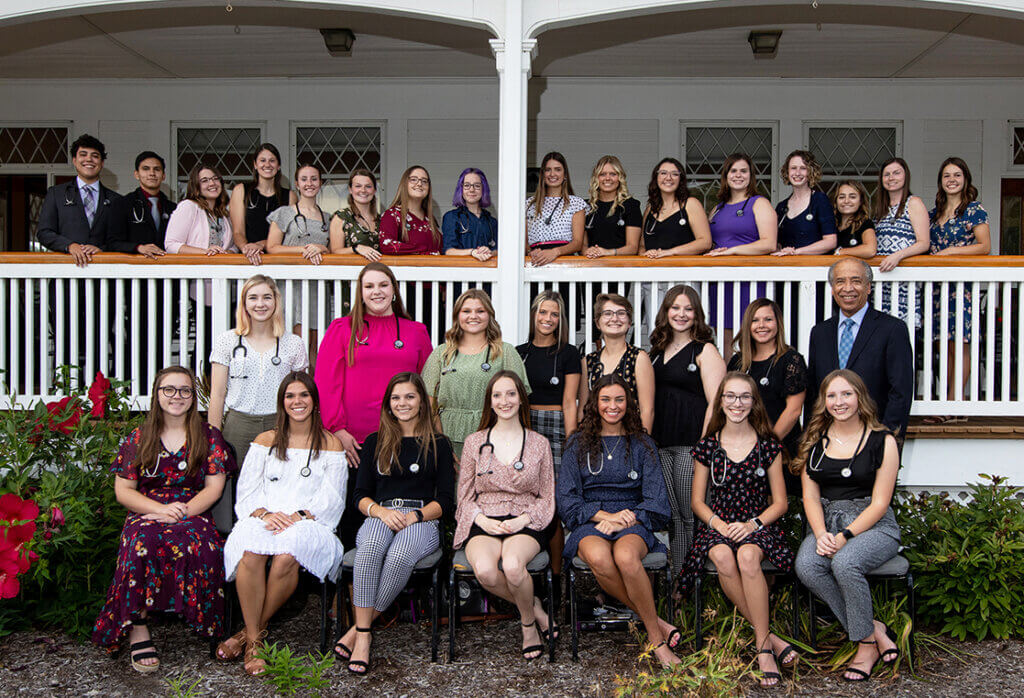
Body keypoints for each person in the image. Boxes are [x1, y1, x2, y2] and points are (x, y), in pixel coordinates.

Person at [92, 366, 234, 672]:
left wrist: (181, 511)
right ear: (157, 394)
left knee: (203, 544)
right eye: (168, 389)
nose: (176, 396)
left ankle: (199, 618)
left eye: (184, 390)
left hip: (192, 510)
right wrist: (158, 511)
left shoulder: (208, 435)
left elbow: (214, 489)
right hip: (146, 511)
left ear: (193, 396)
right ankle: (138, 626)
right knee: (141, 541)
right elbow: (123, 491)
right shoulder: (140, 436)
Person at [218, 372, 346, 676]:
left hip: (309, 522)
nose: (297, 401)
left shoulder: (331, 444)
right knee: (251, 550)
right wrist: (264, 514)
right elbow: (246, 493)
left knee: (287, 555)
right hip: (264, 516)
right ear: (282, 402)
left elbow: (333, 501)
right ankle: (256, 637)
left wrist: (298, 516)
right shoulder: (265, 441)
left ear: (314, 401)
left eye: (304, 395)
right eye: (290, 396)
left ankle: (249, 636)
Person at [679, 372, 794, 687]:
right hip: (719, 523)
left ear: (754, 402)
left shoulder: (768, 446)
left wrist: (751, 524)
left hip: (757, 522)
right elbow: (697, 503)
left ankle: (762, 648)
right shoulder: (708, 446)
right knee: (722, 557)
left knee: (746, 557)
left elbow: (780, 503)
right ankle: (770, 639)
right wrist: (719, 524)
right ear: (720, 402)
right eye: (730, 396)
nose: (737, 403)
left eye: (744, 396)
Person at [335, 373, 455, 675]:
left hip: (422, 519)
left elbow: (446, 501)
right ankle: (364, 636)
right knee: (372, 546)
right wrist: (379, 512)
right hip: (381, 513)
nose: (403, 403)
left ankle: (360, 628)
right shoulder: (376, 441)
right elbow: (359, 495)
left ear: (421, 403)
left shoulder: (438, 444)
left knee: (401, 554)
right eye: (396, 398)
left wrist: (416, 516)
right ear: (388, 405)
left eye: (410, 397)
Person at [557, 375, 679, 667]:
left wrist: (626, 518)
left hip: (632, 517)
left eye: (620, 400)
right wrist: (604, 516)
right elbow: (567, 499)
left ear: (630, 404)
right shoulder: (577, 443)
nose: (613, 406)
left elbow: (657, 499)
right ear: (595, 404)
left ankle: (655, 637)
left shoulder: (642, 444)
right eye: (606, 400)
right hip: (591, 519)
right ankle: (657, 628)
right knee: (599, 557)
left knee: (625, 557)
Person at [793, 369, 902, 682]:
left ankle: (865, 645)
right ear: (823, 401)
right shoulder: (815, 441)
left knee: (845, 562)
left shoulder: (883, 440)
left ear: (860, 397)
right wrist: (820, 534)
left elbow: (881, 502)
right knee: (808, 566)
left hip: (872, 523)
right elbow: (810, 498)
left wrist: (845, 536)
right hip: (826, 522)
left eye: (846, 394)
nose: (838, 402)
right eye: (831, 396)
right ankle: (874, 628)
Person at [315, 262, 433, 549]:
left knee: (401, 517)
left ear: (394, 290)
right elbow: (325, 382)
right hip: (354, 442)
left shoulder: (415, 330)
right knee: (355, 517)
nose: (376, 291)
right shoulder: (341, 329)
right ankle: (354, 586)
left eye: (383, 285)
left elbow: (427, 385)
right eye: (369, 286)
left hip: (405, 439)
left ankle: (401, 584)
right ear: (360, 292)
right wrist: (337, 430)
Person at [455, 371, 556, 660]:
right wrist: (481, 520)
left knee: (513, 567)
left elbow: (547, 495)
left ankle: (527, 627)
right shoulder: (475, 442)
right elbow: (464, 494)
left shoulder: (539, 443)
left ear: (521, 399)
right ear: (490, 401)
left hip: (525, 518)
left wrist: (522, 520)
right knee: (485, 571)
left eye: (511, 393)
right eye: (497, 395)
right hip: (484, 517)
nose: (504, 401)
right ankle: (534, 608)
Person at [208, 274, 308, 528]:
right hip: (239, 424)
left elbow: (301, 396)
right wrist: (213, 438)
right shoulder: (227, 341)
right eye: (253, 297)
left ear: (276, 301)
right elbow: (217, 394)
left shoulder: (292, 343)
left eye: (267, 297)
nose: (260, 304)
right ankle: (234, 543)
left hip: (280, 424)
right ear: (244, 303)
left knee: (279, 483)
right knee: (238, 485)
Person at [648, 284, 726, 574]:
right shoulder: (656, 351)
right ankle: (681, 579)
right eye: (675, 308)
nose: (681, 314)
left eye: (688, 309)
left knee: (691, 515)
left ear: (697, 314)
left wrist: (703, 446)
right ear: (666, 311)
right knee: (674, 518)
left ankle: (692, 582)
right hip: (661, 444)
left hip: (691, 445)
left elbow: (716, 402)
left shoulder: (705, 350)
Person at [807, 258, 914, 438]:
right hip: (829, 439)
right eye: (840, 281)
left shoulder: (892, 329)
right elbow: (814, 393)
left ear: (868, 287)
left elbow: (900, 393)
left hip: (874, 437)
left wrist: (885, 440)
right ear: (832, 289)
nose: (848, 288)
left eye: (856, 281)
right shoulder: (820, 333)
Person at [422, 289, 530, 457]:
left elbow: (519, 402)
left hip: (494, 439)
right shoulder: (441, 353)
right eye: (466, 311)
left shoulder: (505, 352)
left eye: (480, 311)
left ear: (490, 315)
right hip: (447, 438)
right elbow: (428, 403)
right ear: (457, 315)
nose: (473, 316)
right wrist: (441, 444)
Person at [516, 290, 580, 571]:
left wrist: (572, 441)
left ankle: (558, 575)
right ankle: (532, 569)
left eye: (554, 314)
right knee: (528, 499)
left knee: (552, 505)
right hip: (527, 428)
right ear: (534, 315)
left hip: (556, 428)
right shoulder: (519, 353)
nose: (548, 318)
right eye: (543, 312)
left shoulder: (568, 353)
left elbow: (570, 401)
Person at [928, 157, 991, 415]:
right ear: (941, 182)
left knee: (960, 343)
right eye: (946, 176)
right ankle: (947, 399)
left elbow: (984, 247)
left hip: (962, 288)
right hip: (936, 289)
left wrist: (953, 251)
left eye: (956, 175)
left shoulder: (974, 210)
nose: (951, 180)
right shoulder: (934, 214)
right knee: (944, 344)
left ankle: (954, 403)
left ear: (965, 179)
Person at [705, 153, 778, 351]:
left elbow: (770, 243)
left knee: (751, 334)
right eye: (733, 170)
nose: (738, 175)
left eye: (743, 171)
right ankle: (729, 379)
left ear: (751, 176)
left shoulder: (758, 203)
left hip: (749, 281)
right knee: (724, 338)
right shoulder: (718, 209)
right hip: (721, 282)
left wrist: (733, 251)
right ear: (726, 176)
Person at [728, 299, 808, 469]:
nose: (761, 325)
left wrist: (765, 447)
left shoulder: (791, 360)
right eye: (755, 320)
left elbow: (793, 411)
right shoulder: (738, 362)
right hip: (740, 448)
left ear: (778, 323)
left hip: (779, 448)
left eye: (768, 319)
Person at [266, 162, 332, 361]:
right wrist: (304, 250)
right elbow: (272, 247)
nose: (309, 183)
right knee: (294, 341)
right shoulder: (285, 212)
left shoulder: (328, 218)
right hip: (292, 285)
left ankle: (311, 387)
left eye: (314, 179)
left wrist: (321, 248)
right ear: (297, 183)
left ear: (320, 183)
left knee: (315, 342)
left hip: (317, 286)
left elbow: (332, 249)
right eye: (304, 179)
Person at [37, 133, 119, 266]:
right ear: (74, 160)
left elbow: (120, 239)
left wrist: (102, 249)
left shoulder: (115, 200)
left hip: (102, 276)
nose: (89, 159)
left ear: (102, 163)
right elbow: (44, 232)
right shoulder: (56, 193)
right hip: (65, 276)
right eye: (83, 154)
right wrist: (69, 246)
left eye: (95, 156)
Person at [579, 293, 654, 434]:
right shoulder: (588, 362)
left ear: (629, 322)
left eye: (621, 313)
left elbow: (647, 410)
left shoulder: (639, 358)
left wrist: (643, 448)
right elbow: (583, 409)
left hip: (630, 440)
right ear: (597, 322)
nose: (615, 318)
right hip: (595, 441)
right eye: (607, 313)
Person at [873, 158, 929, 326]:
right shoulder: (880, 209)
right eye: (887, 174)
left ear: (906, 176)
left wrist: (898, 256)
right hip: (882, 281)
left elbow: (924, 243)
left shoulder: (913, 203)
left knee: (902, 331)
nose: (891, 177)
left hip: (904, 280)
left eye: (896, 173)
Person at [230, 143, 293, 266]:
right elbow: (237, 232)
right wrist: (247, 248)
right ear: (255, 164)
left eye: (272, 161)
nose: (267, 165)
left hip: (277, 261)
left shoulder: (290, 196)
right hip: (247, 259)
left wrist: (260, 245)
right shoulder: (241, 190)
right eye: (262, 160)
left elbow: (288, 236)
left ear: (279, 166)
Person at [107, 151, 176, 257]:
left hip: (165, 268)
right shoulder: (122, 204)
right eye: (146, 169)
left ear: (163, 176)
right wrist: (138, 247)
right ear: (136, 174)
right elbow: (113, 243)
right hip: (135, 268)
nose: (152, 173)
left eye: (157, 169)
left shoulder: (173, 208)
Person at [639, 157, 712, 258]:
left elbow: (705, 242)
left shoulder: (691, 204)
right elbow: (642, 246)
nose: (668, 178)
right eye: (663, 173)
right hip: (653, 270)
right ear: (656, 177)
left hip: (683, 270)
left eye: (674, 174)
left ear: (680, 179)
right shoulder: (650, 208)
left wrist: (670, 252)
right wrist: (646, 254)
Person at [771, 150, 838, 256]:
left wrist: (797, 252)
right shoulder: (781, 207)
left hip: (814, 267)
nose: (797, 173)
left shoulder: (820, 200)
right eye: (793, 168)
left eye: (803, 168)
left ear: (810, 172)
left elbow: (830, 241)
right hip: (786, 268)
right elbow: (777, 243)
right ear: (787, 172)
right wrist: (780, 250)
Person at [525, 151, 586, 266]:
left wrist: (554, 252)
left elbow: (577, 243)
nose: (552, 174)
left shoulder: (576, 203)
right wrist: (530, 252)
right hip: (536, 262)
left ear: (565, 174)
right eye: (548, 170)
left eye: (558, 169)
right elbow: (523, 240)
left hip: (564, 263)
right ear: (542, 174)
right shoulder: (529, 204)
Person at [164, 164, 235, 257]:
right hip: (194, 269)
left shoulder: (225, 213)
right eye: (205, 180)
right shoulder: (188, 206)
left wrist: (228, 252)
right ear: (196, 186)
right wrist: (205, 252)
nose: (212, 183)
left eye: (215, 178)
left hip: (221, 269)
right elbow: (171, 245)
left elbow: (234, 246)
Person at [582, 155, 641, 258]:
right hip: (591, 266)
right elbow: (582, 245)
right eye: (603, 174)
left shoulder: (631, 205)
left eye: (613, 174)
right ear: (596, 178)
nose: (607, 178)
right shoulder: (585, 206)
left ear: (620, 177)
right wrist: (588, 252)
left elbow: (632, 247)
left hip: (621, 268)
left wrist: (607, 252)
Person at [379, 165, 442, 255]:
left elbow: (441, 247)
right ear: (405, 184)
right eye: (413, 179)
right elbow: (387, 245)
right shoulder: (392, 215)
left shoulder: (429, 219)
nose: (419, 184)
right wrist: (423, 250)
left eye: (424, 181)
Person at [442, 168, 497, 260]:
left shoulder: (492, 222)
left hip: (487, 271)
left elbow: (499, 250)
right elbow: (449, 251)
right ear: (461, 189)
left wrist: (489, 252)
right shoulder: (451, 217)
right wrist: (472, 252)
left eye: (477, 186)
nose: (472, 190)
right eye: (467, 185)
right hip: (461, 270)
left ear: (484, 189)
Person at [329, 168, 383, 262]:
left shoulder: (381, 220)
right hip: (350, 273)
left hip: (377, 272)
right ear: (350, 189)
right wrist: (356, 249)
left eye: (368, 186)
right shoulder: (341, 217)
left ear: (374, 190)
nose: (363, 190)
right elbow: (334, 252)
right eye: (358, 186)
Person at [830, 180, 877, 258]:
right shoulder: (830, 224)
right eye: (841, 197)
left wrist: (841, 251)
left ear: (860, 201)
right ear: (836, 201)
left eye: (852, 197)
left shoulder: (865, 223)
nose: (846, 201)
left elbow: (870, 250)